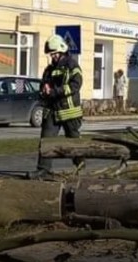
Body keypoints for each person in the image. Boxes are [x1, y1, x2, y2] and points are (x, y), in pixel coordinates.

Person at [35, 35, 83, 175]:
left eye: (55, 54)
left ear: (62, 51)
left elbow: (75, 85)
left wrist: (55, 91)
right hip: (52, 111)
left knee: (73, 142)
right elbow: (44, 83)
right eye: (51, 54)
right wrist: (44, 89)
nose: (53, 57)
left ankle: (80, 164)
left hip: (69, 112)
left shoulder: (72, 66)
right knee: (46, 141)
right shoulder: (49, 69)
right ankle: (43, 170)